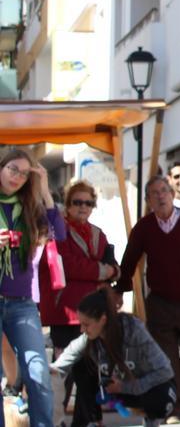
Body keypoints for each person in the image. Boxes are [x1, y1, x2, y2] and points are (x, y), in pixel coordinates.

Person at [116, 175, 180, 423]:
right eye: (154, 193)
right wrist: (119, 289)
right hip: (161, 303)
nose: (160, 196)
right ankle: (174, 406)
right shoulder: (144, 227)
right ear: (148, 200)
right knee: (166, 359)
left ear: (172, 195)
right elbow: (129, 260)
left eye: (164, 190)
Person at [39, 180, 119, 426]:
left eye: (88, 203)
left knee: (91, 369)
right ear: (69, 204)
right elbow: (69, 265)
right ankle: (55, 418)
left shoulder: (98, 233)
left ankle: (88, 419)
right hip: (66, 312)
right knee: (64, 370)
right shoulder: (58, 229)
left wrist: (111, 271)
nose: (83, 207)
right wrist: (102, 271)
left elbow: (114, 267)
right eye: (77, 202)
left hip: (93, 313)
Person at [0, 148, 65, 427]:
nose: (18, 177)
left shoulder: (29, 207)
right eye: (13, 169)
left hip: (21, 301)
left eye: (25, 174)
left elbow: (58, 234)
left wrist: (45, 192)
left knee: (38, 373)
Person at [52, 288, 177, 427]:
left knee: (163, 398)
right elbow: (66, 357)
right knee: (80, 364)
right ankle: (93, 421)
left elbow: (166, 371)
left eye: (86, 325)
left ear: (103, 319)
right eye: (80, 324)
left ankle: (152, 420)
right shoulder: (89, 338)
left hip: (143, 388)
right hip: (113, 390)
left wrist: (124, 387)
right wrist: (50, 371)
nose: (82, 330)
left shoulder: (134, 331)